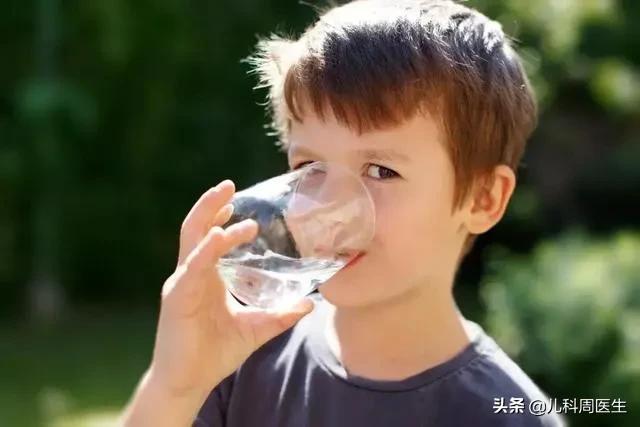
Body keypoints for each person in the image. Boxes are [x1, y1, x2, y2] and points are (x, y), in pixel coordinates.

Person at [121, 1, 565, 425]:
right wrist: (175, 386)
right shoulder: (242, 356)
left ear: (483, 199)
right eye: (309, 167)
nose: (328, 209)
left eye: (381, 170)